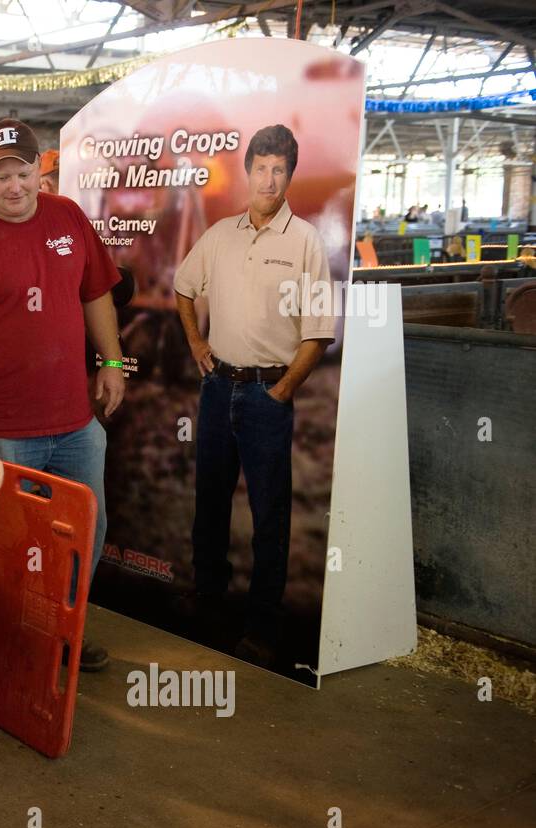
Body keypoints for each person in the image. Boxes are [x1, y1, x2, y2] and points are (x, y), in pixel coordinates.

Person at [0, 118, 125, 672]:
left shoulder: (68, 219)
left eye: (24, 172)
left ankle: (64, 633)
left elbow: (96, 293)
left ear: (40, 171)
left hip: (76, 423)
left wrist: (109, 361)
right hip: (4, 431)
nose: (15, 185)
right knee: (9, 548)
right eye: (1, 174)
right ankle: (8, 650)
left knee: (87, 532)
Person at [174, 124, 335, 668]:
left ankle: (263, 627)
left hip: (268, 393)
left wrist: (284, 390)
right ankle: (207, 600)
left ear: (290, 175)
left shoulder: (306, 240)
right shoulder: (220, 235)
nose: (269, 179)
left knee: (270, 516)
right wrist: (197, 341)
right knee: (210, 503)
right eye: (261, 168)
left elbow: (317, 332)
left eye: (279, 170)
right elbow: (183, 287)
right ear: (248, 172)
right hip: (219, 387)